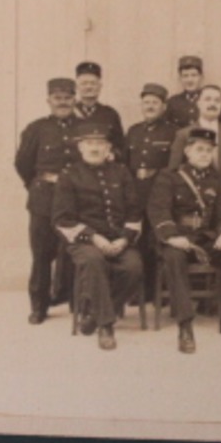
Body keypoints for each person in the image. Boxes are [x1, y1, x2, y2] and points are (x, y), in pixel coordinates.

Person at [151, 127, 221, 353]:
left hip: (204, 238)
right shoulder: (169, 176)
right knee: (175, 258)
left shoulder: (215, 180)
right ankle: (185, 325)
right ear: (187, 151)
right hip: (177, 238)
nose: (205, 154)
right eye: (200, 149)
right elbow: (159, 211)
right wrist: (171, 236)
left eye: (209, 150)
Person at [51, 122, 144, 350]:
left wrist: (123, 239)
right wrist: (95, 238)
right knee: (94, 261)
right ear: (80, 147)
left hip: (118, 238)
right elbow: (63, 219)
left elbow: (134, 211)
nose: (95, 148)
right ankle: (106, 326)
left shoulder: (121, 172)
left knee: (134, 267)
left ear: (108, 148)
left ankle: (95, 314)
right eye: (89, 143)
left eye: (100, 143)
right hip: (84, 241)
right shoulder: (69, 175)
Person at [13, 77, 80, 324]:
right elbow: (22, 163)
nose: (63, 102)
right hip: (43, 199)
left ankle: (74, 301)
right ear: (49, 101)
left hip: (75, 200)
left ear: (75, 99)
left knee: (74, 252)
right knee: (41, 254)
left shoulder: (85, 128)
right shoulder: (36, 129)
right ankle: (39, 306)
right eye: (57, 98)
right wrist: (37, 185)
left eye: (67, 98)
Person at [125, 83, 177, 311]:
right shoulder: (134, 131)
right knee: (138, 242)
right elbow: (126, 164)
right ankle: (140, 291)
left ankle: (160, 291)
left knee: (158, 242)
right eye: (146, 102)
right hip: (136, 191)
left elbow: (175, 166)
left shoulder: (173, 131)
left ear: (163, 106)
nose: (150, 106)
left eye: (155, 103)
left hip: (160, 192)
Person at [166, 84, 221, 190]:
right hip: (195, 198)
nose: (212, 104)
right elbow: (174, 170)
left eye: (217, 100)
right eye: (207, 99)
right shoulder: (184, 134)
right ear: (198, 103)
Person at [71, 61, 125, 161]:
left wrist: (111, 155)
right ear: (77, 87)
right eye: (84, 83)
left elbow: (120, 147)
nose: (89, 87)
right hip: (74, 172)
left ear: (100, 86)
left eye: (93, 83)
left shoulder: (110, 114)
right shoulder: (69, 112)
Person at [165, 55, 206, 129]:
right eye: (185, 76)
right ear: (180, 78)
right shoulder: (173, 102)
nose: (189, 80)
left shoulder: (210, 99)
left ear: (201, 77)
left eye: (194, 75)